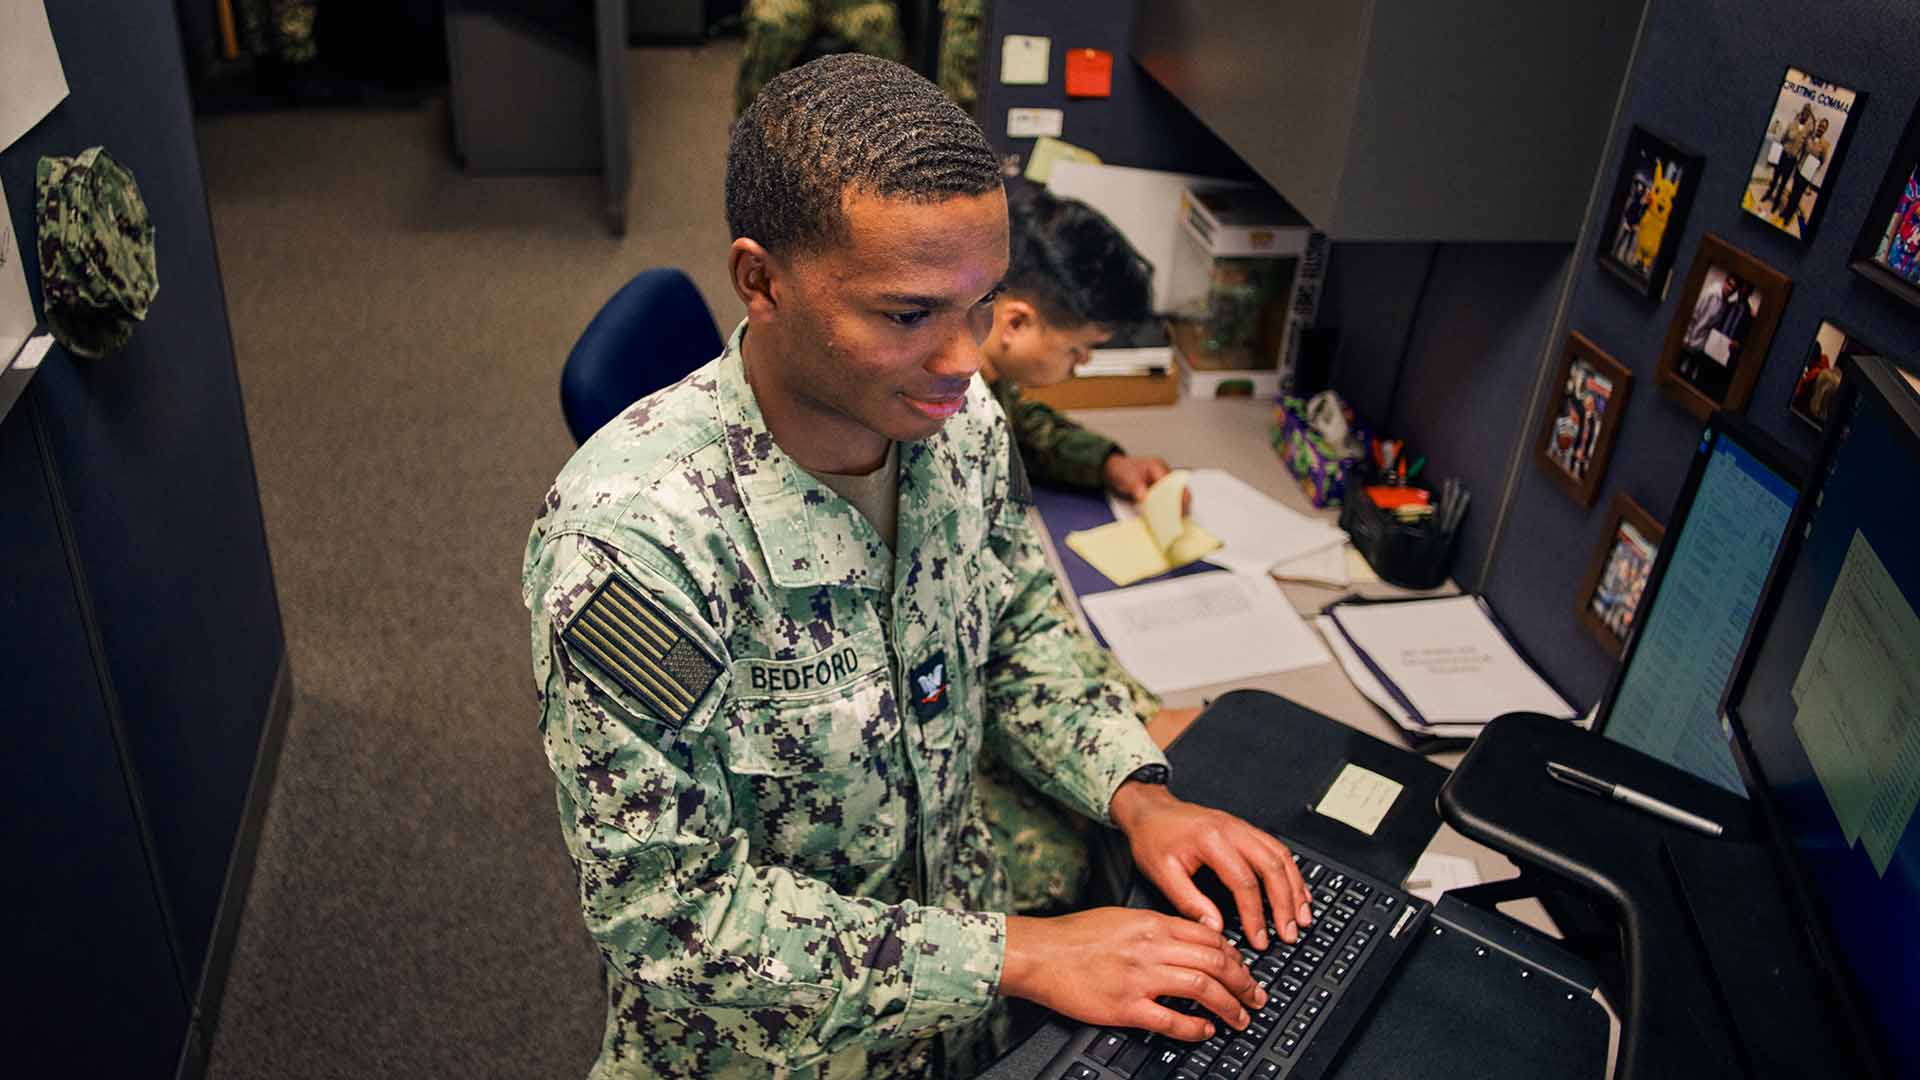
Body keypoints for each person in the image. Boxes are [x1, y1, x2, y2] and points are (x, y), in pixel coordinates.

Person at [523, 55, 1312, 1079]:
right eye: (908, 315)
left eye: (982, 304)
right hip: (783, 1050)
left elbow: (1019, 633)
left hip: (964, 1006)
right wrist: (1023, 954)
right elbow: (674, 919)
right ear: (761, 281)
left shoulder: (959, 426)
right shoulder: (631, 553)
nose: (964, 360)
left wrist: (1136, 793)